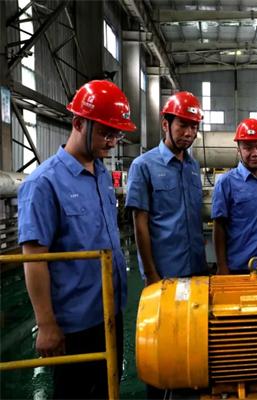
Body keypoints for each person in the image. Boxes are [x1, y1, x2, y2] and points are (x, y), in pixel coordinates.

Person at [17, 80, 135, 398]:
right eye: (106, 133)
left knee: (107, 389)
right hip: (75, 324)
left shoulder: (102, 175)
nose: (112, 142)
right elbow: (34, 259)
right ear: (79, 123)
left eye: (117, 134)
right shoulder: (44, 184)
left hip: (110, 313)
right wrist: (46, 325)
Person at [126, 91, 208, 286]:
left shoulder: (193, 167)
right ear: (165, 125)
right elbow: (140, 225)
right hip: (164, 272)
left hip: (197, 268)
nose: (189, 133)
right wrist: (150, 274)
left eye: (194, 127)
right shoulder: (143, 166)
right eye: (183, 125)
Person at [212, 118, 257, 274]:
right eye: (248, 148)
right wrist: (222, 266)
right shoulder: (226, 182)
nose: (255, 153)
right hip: (239, 268)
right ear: (238, 150)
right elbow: (219, 226)